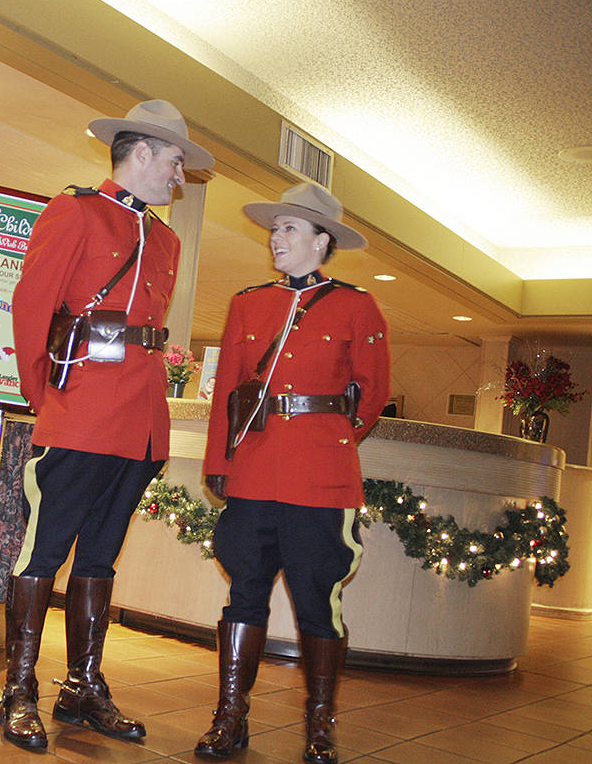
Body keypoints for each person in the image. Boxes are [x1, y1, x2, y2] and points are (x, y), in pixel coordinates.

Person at [4, 100, 214, 749]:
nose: (180, 177)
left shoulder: (170, 239)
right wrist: (49, 402)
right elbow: (31, 308)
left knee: (100, 557)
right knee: (43, 552)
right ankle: (19, 689)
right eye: (176, 162)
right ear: (142, 151)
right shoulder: (76, 211)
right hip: (78, 415)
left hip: (140, 424)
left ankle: (82, 687)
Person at [197, 183, 390, 762]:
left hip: (320, 477)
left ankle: (321, 721)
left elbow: (372, 397)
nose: (275, 238)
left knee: (317, 601)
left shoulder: (359, 307)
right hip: (254, 470)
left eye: (288, 229)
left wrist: (325, 439)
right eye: (275, 228)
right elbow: (228, 391)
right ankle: (231, 716)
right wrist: (219, 464)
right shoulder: (248, 303)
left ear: (321, 240)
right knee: (244, 596)